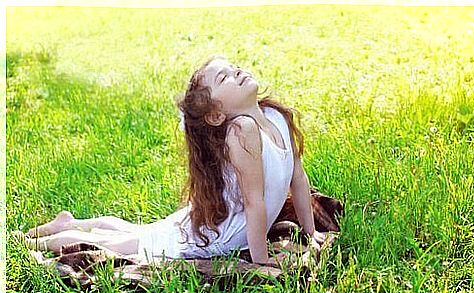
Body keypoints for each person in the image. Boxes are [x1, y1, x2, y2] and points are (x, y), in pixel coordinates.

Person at [18, 56, 332, 266]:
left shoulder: (275, 117)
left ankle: (72, 223)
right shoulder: (243, 131)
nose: (237, 72)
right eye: (225, 77)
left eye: (234, 68)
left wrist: (311, 232)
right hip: (213, 236)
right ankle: (45, 241)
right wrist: (261, 259)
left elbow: (298, 179)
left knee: (139, 233)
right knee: (123, 245)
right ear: (216, 115)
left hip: (213, 221)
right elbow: (254, 202)